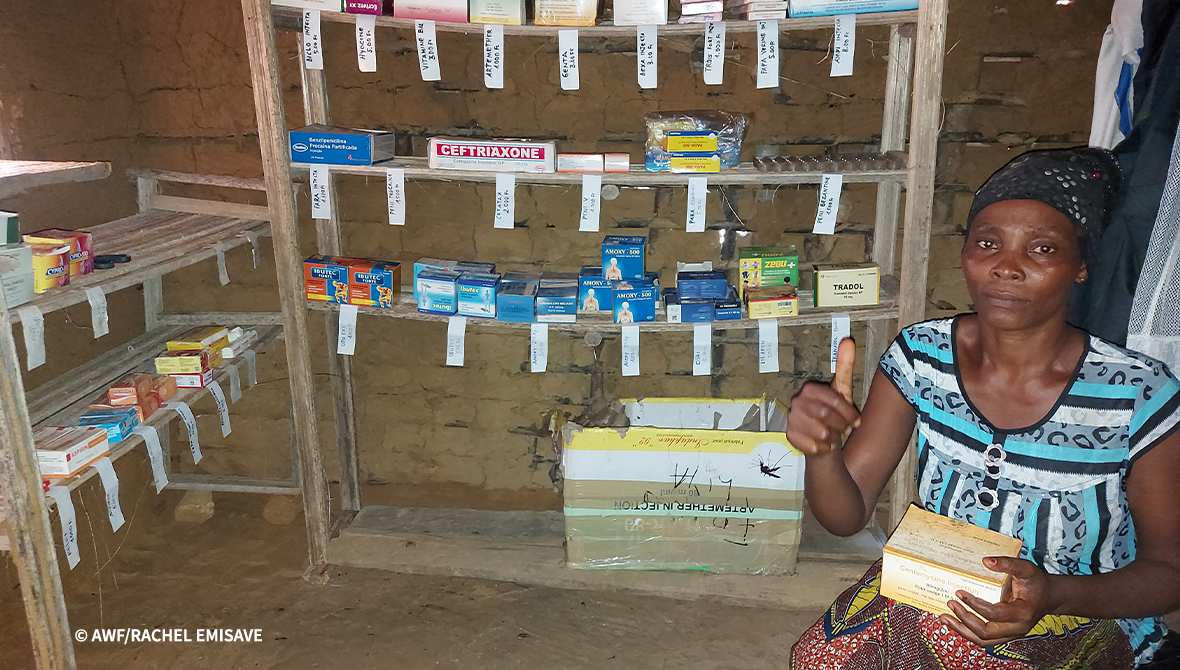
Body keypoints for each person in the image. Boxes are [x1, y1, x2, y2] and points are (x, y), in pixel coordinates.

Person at [788, 148, 1180, 669]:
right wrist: (821, 453)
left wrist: (1054, 596)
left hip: (1083, 610)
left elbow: (1169, 571)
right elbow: (847, 516)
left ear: (1080, 266)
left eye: (1041, 249)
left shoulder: (1137, 393)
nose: (1007, 268)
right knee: (824, 658)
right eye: (988, 243)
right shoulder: (922, 357)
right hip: (932, 588)